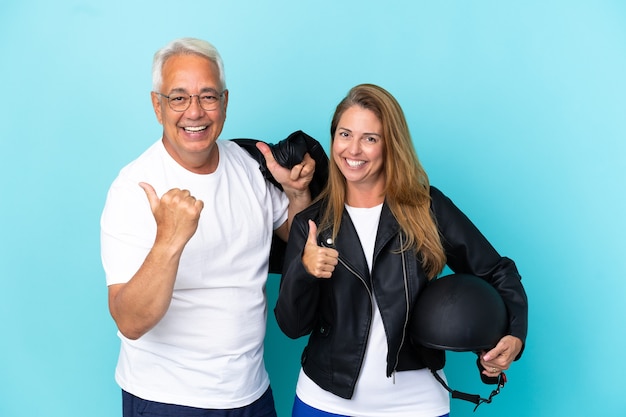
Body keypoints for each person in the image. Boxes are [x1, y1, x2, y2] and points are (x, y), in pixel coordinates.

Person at [274, 84, 528, 417]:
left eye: (370, 138)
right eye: (345, 134)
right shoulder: (311, 224)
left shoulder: (427, 208)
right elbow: (292, 328)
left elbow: (497, 271)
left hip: (416, 403)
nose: (353, 149)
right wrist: (303, 272)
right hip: (324, 401)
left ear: (390, 144)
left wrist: (514, 336)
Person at [100, 37, 314, 417]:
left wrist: (297, 195)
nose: (194, 112)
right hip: (167, 399)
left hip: (250, 393)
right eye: (178, 98)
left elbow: (297, 239)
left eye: (208, 97)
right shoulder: (133, 187)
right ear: (157, 105)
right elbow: (130, 322)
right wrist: (169, 240)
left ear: (225, 103)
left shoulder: (249, 166)